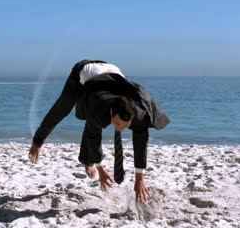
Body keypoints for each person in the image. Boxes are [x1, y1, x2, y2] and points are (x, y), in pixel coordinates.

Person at [28, 60, 170, 203]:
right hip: (84, 71)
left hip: (113, 73)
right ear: (111, 112)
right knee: (63, 109)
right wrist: (100, 168)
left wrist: (139, 177)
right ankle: (38, 142)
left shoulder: (139, 115)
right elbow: (92, 136)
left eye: (125, 126)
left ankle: (88, 160)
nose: (120, 129)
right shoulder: (99, 108)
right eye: (117, 123)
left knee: (98, 123)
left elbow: (141, 143)